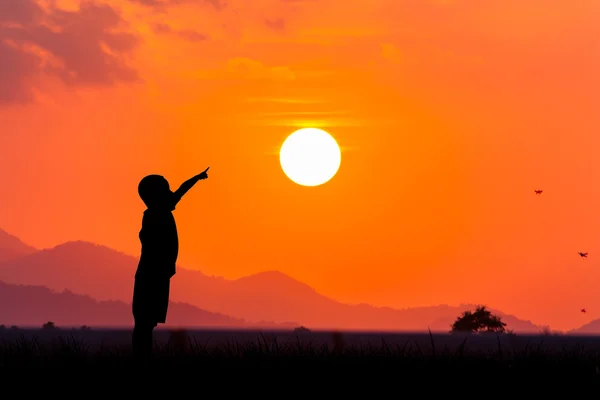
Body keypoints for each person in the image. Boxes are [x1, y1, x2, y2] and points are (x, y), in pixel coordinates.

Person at [131, 167, 209, 361]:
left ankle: (142, 357)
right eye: (165, 189)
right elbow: (181, 190)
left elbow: (181, 189)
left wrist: (196, 178)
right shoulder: (155, 215)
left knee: (146, 322)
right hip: (151, 275)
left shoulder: (159, 211)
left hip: (156, 274)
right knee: (144, 322)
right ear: (155, 195)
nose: (170, 192)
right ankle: (141, 358)